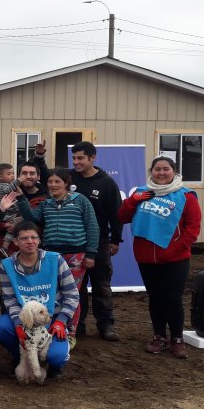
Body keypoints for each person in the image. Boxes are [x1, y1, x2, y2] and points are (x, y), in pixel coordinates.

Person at [119, 156, 201, 358]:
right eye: (157, 169)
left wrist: (178, 247)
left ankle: (177, 339)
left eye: (166, 169)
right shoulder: (141, 193)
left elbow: (193, 228)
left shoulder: (186, 196)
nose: (161, 173)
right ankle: (159, 337)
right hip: (146, 258)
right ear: (151, 171)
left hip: (176, 259)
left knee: (173, 299)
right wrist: (132, 201)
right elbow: (121, 217)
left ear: (174, 171)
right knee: (155, 299)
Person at [14, 166, 99, 338]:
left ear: (66, 183)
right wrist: (21, 198)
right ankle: (52, 328)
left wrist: (91, 253)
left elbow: (92, 226)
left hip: (76, 254)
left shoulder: (80, 200)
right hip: (51, 254)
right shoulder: (46, 203)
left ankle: (70, 333)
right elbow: (32, 218)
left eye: (57, 181)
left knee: (71, 293)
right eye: (50, 182)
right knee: (53, 292)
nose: (53, 185)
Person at [0, 221, 80, 379]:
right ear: (16, 242)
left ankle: (52, 364)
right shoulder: (7, 265)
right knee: (0, 328)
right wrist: (19, 325)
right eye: (24, 238)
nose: (30, 241)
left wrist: (61, 320)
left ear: (39, 240)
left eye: (34, 237)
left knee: (57, 357)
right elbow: (10, 301)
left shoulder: (56, 260)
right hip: (26, 319)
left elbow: (72, 294)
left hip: (52, 319)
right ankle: (20, 357)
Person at [70, 142, 124, 341]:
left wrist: (115, 239)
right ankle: (79, 325)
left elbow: (116, 214)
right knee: (77, 287)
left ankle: (106, 325)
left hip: (100, 242)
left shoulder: (107, 183)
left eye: (80, 158)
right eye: (74, 158)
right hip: (74, 241)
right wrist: (40, 157)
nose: (76, 162)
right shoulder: (69, 178)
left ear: (92, 158)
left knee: (101, 285)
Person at [0, 161, 48, 259]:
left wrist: (19, 225)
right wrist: (5, 225)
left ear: (38, 177)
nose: (28, 176)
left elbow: (45, 224)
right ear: (19, 176)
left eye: (32, 173)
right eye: (24, 173)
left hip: (32, 251)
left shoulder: (45, 198)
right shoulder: (8, 194)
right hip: (5, 252)